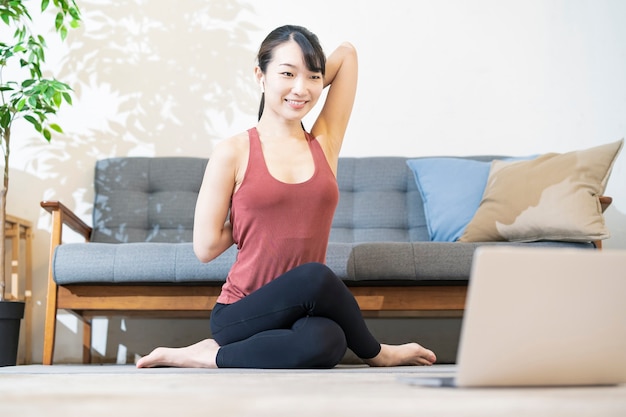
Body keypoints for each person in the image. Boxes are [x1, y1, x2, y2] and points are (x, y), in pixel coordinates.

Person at [136, 25, 436, 369]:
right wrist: (249, 217)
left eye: (313, 76)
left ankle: (209, 355)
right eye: (287, 73)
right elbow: (204, 249)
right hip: (241, 311)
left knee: (329, 342)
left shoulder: (324, 142)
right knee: (315, 276)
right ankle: (378, 352)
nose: (301, 86)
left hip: (306, 310)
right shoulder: (233, 151)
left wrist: (300, 88)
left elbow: (348, 54)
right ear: (259, 76)